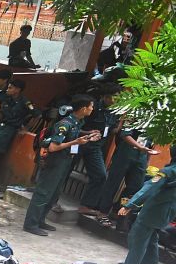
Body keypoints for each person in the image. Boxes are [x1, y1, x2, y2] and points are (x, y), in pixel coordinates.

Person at [24, 95, 100, 236]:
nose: (92, 109)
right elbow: (53, 147)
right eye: (91, 106)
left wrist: (88, 136)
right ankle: (31, 224)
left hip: (65, 162)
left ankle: (40, 220)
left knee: (54, 193)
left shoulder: (77, 122)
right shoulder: (64, 124)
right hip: (55, 161)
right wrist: (76, 142)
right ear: (83, 108)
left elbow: (74, 136)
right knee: (43, 193)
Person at [116, 163, 176, 264]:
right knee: (151, 233)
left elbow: (150, 188)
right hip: (170, 210)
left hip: (156, 209)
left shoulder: (168, 171)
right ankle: (151, 262)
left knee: (138, 235)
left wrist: (130, 205)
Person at [97, 123, 159, 214]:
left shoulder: (157, 121)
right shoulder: (134, 113)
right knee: (113, 184)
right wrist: (140, 147)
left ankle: (118, 209)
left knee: (136, 186)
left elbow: (151, 143)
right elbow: (125, 134)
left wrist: (147, 160)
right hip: (126, 152)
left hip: (142, 156)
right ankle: (102, 211)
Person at [77, 92, 119, 216]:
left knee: (100, 175)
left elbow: (114, 130)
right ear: (105, 96)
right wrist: (86, 133)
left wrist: (122, 122)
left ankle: (86, 205)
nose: (115, 100)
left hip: (95, 147)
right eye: (113, 97)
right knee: (64, 171)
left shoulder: (114, 112)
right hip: (79, 142)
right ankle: (53, 201)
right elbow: (76, 125)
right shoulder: (91, 108)